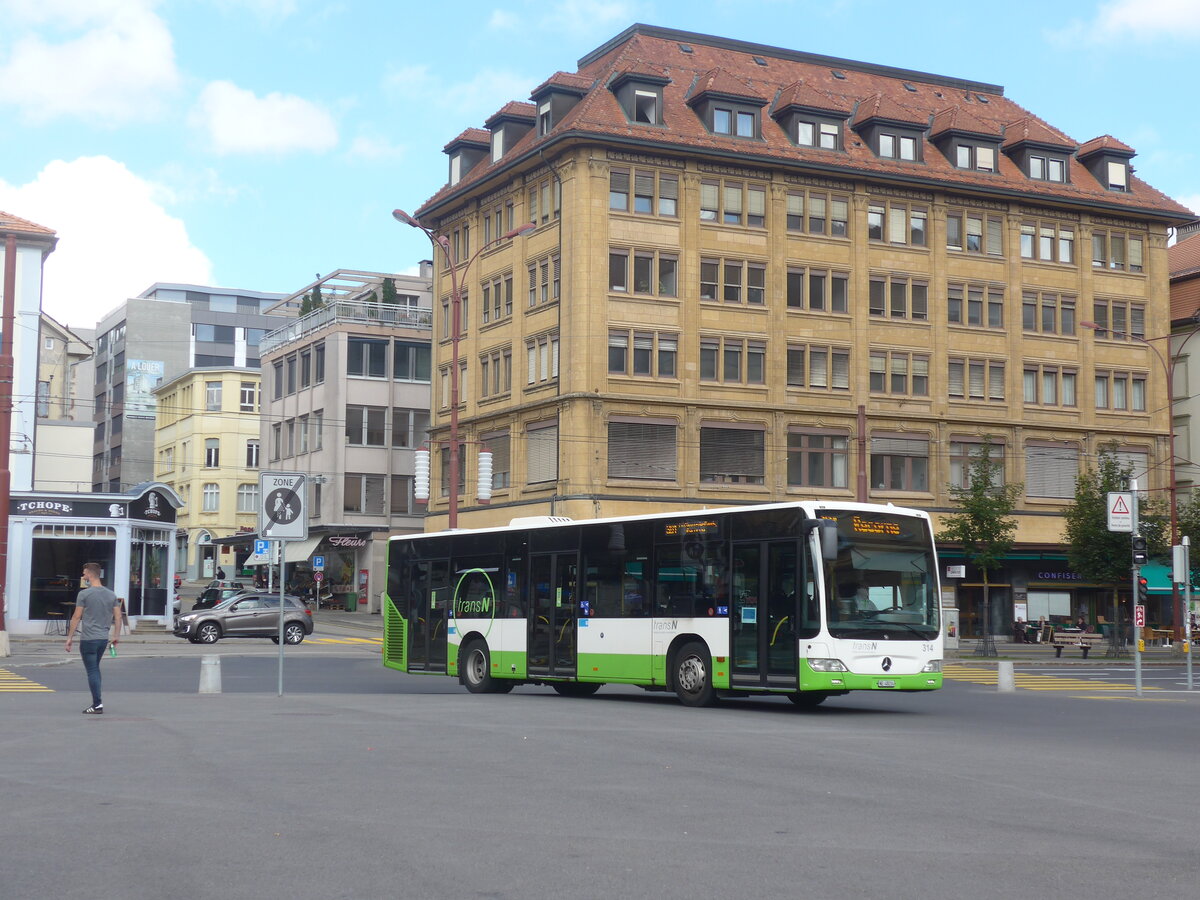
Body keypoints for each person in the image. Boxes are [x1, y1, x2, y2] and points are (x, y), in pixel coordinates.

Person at [64, 562, 122, 715]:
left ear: (90, 575)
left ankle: (97, 704)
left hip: (88, 639)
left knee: (92, 671)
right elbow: (118, 616)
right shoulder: (111, 594)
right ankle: (97, 702)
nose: (83, 576)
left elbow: (76, 616)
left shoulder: (84, 594)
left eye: (84, 574)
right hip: (103, 640)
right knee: (95, 669)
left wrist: (69, 638)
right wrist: (116, 636)